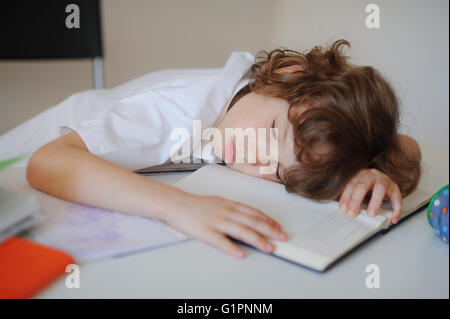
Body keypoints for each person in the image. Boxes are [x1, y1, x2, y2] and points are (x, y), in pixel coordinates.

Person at [20, 39, 421, 259]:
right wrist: (181, 206)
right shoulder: (179, 111)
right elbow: (47, 163)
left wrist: (372, 169)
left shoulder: (257, 100)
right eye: (272, 131)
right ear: (286, 75)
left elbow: (407, 146)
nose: (256, 158)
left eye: (277, 172)